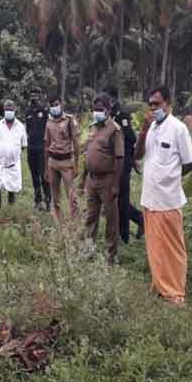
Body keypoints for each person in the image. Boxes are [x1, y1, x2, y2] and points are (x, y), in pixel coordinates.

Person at [135, 85, 192, 306]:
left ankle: (176, 292)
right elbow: (138, 155)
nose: (153, 108)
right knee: (155, 248)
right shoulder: (151, 127)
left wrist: (170, 178)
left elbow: (190, 164)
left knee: (172, 248)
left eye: (157, 104)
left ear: (168, 104)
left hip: (168, 199)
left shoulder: (178, 128)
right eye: (150, 104)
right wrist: (142, 130)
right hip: (150, 198)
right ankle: (160, 285)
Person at [80, 93, 125, 264]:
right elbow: (88, 154)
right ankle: (88, 252)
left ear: (108, 110)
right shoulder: (93, 128)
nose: (96, 112)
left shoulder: (115, 130)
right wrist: (84, 177)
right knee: (91, 217)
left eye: (100, 109)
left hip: (107, 180)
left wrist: (115, 185)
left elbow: (120, 158)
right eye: (95, 109)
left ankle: (110, 257)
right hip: (92, 180)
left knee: (111, 220)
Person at [103, 85, 144, 243]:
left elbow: (132, 139)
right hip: (111, 161)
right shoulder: (109, 115)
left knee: (122, 198)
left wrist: (128, 158)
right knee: (118, 198)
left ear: (112, 99)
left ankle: (124, 235)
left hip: (124, 161)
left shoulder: (122, 115)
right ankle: (140, 220)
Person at [44, 96, 80, 221]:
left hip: (66, 162)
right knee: (55, 197)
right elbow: (47, 145)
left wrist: (76, 163)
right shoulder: (48, 122)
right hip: (52, 162)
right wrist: (46, 168)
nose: (54, 107)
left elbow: (76, 142)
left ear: (61, 104)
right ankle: (59, 222)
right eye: (52, 105)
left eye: (56, 104)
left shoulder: (69, 120)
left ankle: (75, 222)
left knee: (72, 196)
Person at [0, 99, 28, 208]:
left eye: (11, 109)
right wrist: (2, 152)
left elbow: (23, 145)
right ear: (4, 110)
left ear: (15, 110)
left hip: (13, 163)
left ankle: (10, 209)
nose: (9, 111)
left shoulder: (20, 126)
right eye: (7, 109)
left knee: (12, 187)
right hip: (0, 162)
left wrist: (13, 153)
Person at [25, 87, 52, 211]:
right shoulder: (28, 111)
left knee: (43, 175)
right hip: (31, 148)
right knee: (34, 175)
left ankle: (48, 201)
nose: (33, 97)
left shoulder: (44, 111)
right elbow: (27, 129)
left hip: (42, 148)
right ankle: (38, 200)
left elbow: (49, 128)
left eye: (36, 95)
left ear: (40, 96)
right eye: (32, 95)